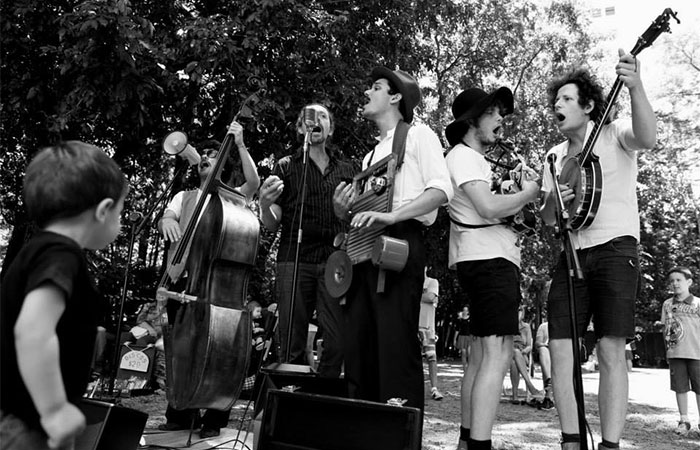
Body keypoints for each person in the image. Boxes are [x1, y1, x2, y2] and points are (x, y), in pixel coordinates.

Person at [540, 50, 656, 450]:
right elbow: (550, 218)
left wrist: (636, 86)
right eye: (556, 100)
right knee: (559, 347)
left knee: (610, 347)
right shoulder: (554, 157)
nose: (558, 105)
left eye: (567, 99)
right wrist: (557, 200)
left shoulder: (613, 133)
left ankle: (609, 444)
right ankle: (571, 439)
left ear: (588, 105)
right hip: (572, 254)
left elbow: (648, 137)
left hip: (615, 248)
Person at [333, 67, 453, 411]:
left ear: (396, 96)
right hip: (365, 251)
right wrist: (344, 210)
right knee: (359, 348)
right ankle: (363, 432)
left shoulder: (418, 135)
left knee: (395, 347)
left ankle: (397, 436)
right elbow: (364, 210)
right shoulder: (371, 156)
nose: (367, 93)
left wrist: (392, 216)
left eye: (376, 87)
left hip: (400, 245)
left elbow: (441, 190)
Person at [0, 142, 128, 450]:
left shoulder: (39, 251)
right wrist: (55, 410)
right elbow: (33, 331)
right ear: (102, 211)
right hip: (27, 424)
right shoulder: (61, 255)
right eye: (120, 212)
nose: (121, 222)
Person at [444, 86, 539, 450]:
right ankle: (480, 444)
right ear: (472, 121)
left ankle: (468, 440)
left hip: (483, 259)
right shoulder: (464, 156)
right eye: (494, 112)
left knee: (482, 356)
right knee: (498, 353)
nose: (502, 118)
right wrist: (529, 193)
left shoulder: (474, 160)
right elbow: (486, 207)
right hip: (489, 262)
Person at [158, 120, 260, 438]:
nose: (206, 157)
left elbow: (254, 182)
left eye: (214, 155)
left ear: (223, 167)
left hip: (219, 289)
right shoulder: (184, 196)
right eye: (204, 156)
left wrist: (240, 144)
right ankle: (181, 411)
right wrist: (166, 222)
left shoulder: (234, 198)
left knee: (222, 350)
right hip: (182, 281)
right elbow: (169, 216)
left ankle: (214, 418)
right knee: (182, 348)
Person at [258, 103, 354, 378]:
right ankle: (290, 406)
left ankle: (321, 403)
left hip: (335, 261)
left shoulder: (348, 169)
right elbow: (271, 221)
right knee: (291, 344)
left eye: (321, 117)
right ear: (301, 128)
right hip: (293, 260)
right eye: (308, 118)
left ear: (330, 128)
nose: (315, 122)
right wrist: (264, 206)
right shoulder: (286, 166)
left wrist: (344, 213)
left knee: (336, 342)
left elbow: (358, 218)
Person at [658, 267, 700, 436]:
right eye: (672, 281)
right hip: (676, 353)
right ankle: (684, 420)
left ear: (689, 282)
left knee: (699, 388)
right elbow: (664, 328)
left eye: (679, 280)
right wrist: (667, 350)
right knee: (680, 388)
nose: (675, 284)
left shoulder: (697, 303)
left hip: (697, 353)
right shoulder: (667, 304)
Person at [421, 267, 444, 401]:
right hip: (413, 326)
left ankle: (434, 389)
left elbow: (430, 296)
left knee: (431, 358)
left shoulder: (432, 282)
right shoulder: (412, 282)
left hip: (428, 327)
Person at [509, 307, 542, 404]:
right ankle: (530, 386)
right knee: (514, 354)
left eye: (520, 310)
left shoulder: (526, 327)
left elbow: (529, 346)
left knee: (515, 359)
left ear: (522, 313)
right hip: (508, 355)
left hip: (523, 355)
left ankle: (515, 395)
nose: (518, 313)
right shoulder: (506, 327)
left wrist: (523, 352)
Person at [535, 320, 555, 410]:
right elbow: (537, 343)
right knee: (543, 350)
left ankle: (548, 397)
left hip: (560, 351)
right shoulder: (543, 326)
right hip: (547, 349)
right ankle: (549, 381)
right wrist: (545, 345)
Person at [455, 306, 471, 371]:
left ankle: (470, 368)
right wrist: (455, 339)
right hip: (461, 337)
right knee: (463, 353)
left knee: (469, 353)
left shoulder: (471, 320)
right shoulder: (460, 320)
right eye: (464, 310)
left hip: (469, 337)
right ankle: (464, 368)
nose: (465, 312)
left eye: (466, 310)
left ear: (468, 312)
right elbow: (457, 330)